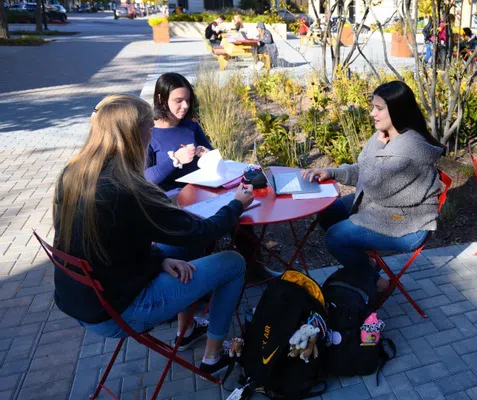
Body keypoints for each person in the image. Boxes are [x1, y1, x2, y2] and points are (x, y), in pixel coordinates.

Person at [53, 94, 255, 376]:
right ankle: (214, 358)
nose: (153, 135)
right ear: (135, 135)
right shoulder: (129, 189)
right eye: (150, 129)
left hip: (85, 302)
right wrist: (236, 204)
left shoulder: (74, 173)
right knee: (233, 263)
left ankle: (188, 331)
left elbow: (109, 245)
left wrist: (158, 259)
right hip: (118, 311)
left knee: (180, 251)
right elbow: (200, 231)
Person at [301, 81, 444, 293]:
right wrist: (332, 173)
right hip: (381, 205)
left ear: (397, 111)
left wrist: (377, 145)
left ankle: (378, 282)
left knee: (335, 237)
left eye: (378, 108)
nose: (371, 113)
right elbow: (366, 170)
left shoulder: (407, 148)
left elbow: (373, 184)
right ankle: (367, 263)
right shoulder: (388, 135)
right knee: (327, 212)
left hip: (405, 222)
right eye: (372, 107)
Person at [145, 73, 212, 194]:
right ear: (161, 99)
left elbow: (215, 162)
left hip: (202, 196)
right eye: (178, 101)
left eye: (188, 100)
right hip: (169, 203)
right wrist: (175, 160)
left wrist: (208, 156)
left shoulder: (192, 126)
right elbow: (144, 179)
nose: (185, 106)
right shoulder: (147, 133)